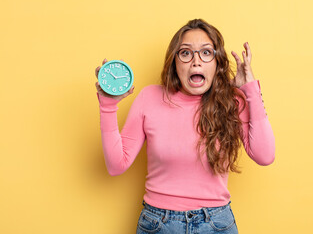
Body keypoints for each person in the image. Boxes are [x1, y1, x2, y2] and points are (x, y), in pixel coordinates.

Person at [94, 19, 275, 234]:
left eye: (206, 53)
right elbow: (116, 165)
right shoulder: (149, 98)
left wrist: (250, 91)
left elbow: (265, 156)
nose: (196, 62)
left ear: (217, 63)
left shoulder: (232, 101)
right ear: (175, 62)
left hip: (216, 224)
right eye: (186, 53)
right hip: (158, 224)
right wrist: (108, 105)